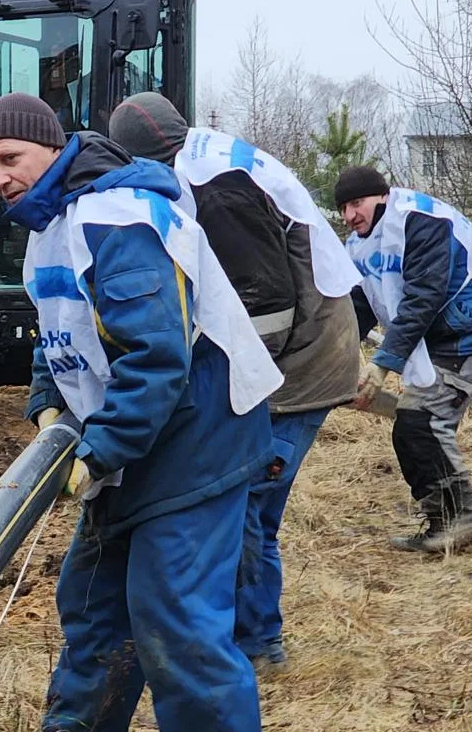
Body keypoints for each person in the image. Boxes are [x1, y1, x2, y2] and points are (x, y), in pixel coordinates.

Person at [0, 92, 282, 732]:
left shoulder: (119, 217)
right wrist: (48, 405)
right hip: (143, 435)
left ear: (51, 148)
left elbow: (158, 357)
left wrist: (99, 449)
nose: (1, 178)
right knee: (92, 601)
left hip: (199, 430)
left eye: (10, 159)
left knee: (172, 611)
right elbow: (62, 335)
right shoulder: (51, 227)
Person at [108, 93, 360, 675]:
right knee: (242, 500)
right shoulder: (203, 159)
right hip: (293, 349)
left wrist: (230, 385)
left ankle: (255, 647)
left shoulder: (216, 186)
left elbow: (265, 305)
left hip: (298, 363)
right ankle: (244, 642)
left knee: (246, 501)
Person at [331, 165, 472, 552]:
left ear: (382, 197)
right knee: (413, 422)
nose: (349, 215)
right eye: (343, 208)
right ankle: (444, 521)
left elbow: (424, 297)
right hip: (445, 334)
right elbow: (359, 305)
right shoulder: (359, 244)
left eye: (357, 203)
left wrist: (383, 363)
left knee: (422, 421)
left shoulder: (420, 221)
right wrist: (337, 360)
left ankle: (462, 520)